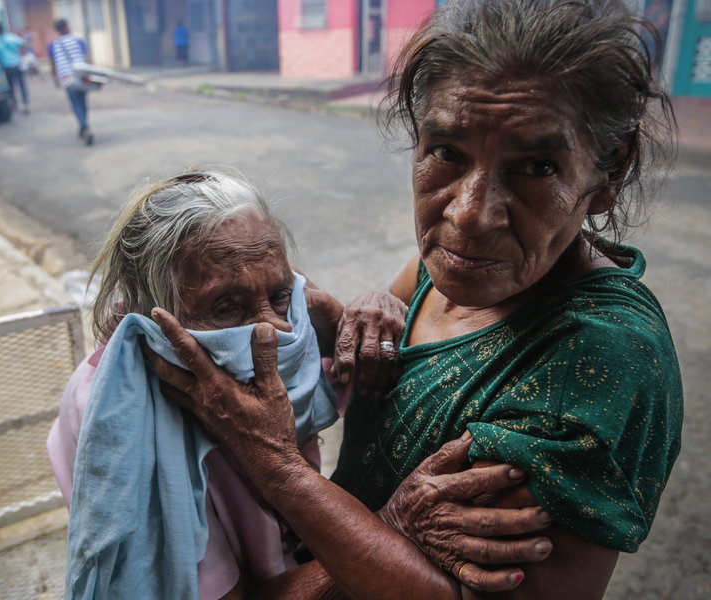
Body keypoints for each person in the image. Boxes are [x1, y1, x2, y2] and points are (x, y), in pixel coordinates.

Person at [149, 1, 684, 598]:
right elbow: (388, 328)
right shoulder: (462, 270)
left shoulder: (599, 357)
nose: (470, 215)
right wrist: (367, 304)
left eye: (536, 167)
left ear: (610, 169)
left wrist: (273, 462)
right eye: (447, 153)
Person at [47, 170, 554, 599]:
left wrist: (372, 305)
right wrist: (388, 531)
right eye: (228, 307)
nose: (277, 330)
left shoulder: (271, 341)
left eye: (279, 293)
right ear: (151, 322)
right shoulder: (136, 425)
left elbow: (336, 329)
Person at [49, 18, 93, 146]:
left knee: (76, 104)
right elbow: (87, 58)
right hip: (81, 76)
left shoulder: (53, 45)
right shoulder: (78, 41)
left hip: (67, 78)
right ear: (65, 28)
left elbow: (53, 64)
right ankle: (84, 126)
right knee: (83, 102)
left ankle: (85, 126)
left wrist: (55, 79)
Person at [0, 23, 30, 115]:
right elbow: (23, 43)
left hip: (6, 67)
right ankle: (26, 105)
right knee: (22, 86)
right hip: (17, 65)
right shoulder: (11, 37)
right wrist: (21, 53)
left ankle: (14, 105)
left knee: (10, 88)